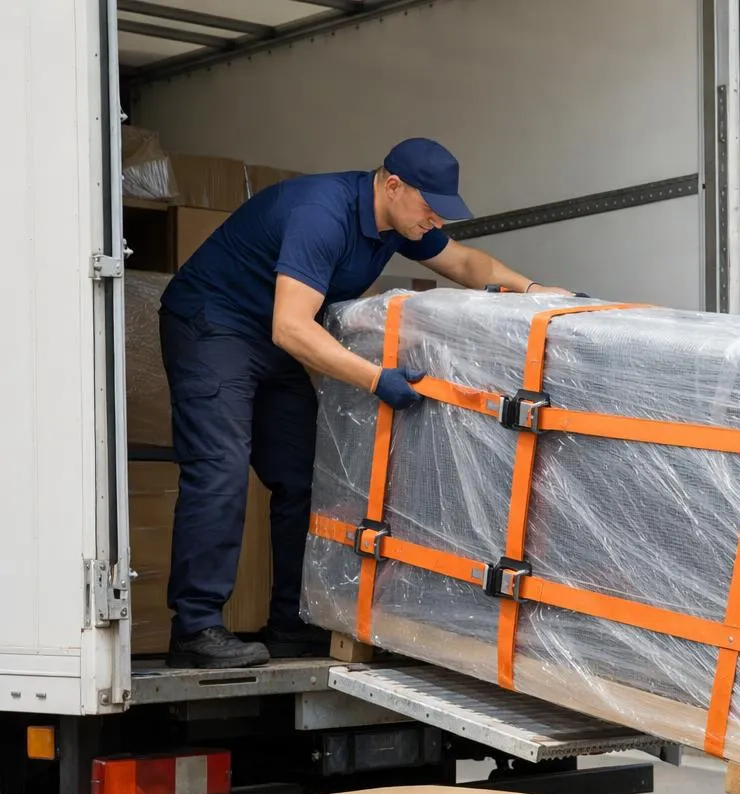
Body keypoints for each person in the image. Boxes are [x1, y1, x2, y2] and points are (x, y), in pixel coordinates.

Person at [157, 137, 577, 669]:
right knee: (219, 469)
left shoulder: (395, 223)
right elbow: (291, 327)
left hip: (270, 337)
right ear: (392, 185)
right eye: (430, 208)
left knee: (301, 476)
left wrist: (534, 289)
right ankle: (195, 629)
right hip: (212, 327)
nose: (436, 222)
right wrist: (378, 380)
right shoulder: (322, 215)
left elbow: (465, 263)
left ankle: (289, 621)